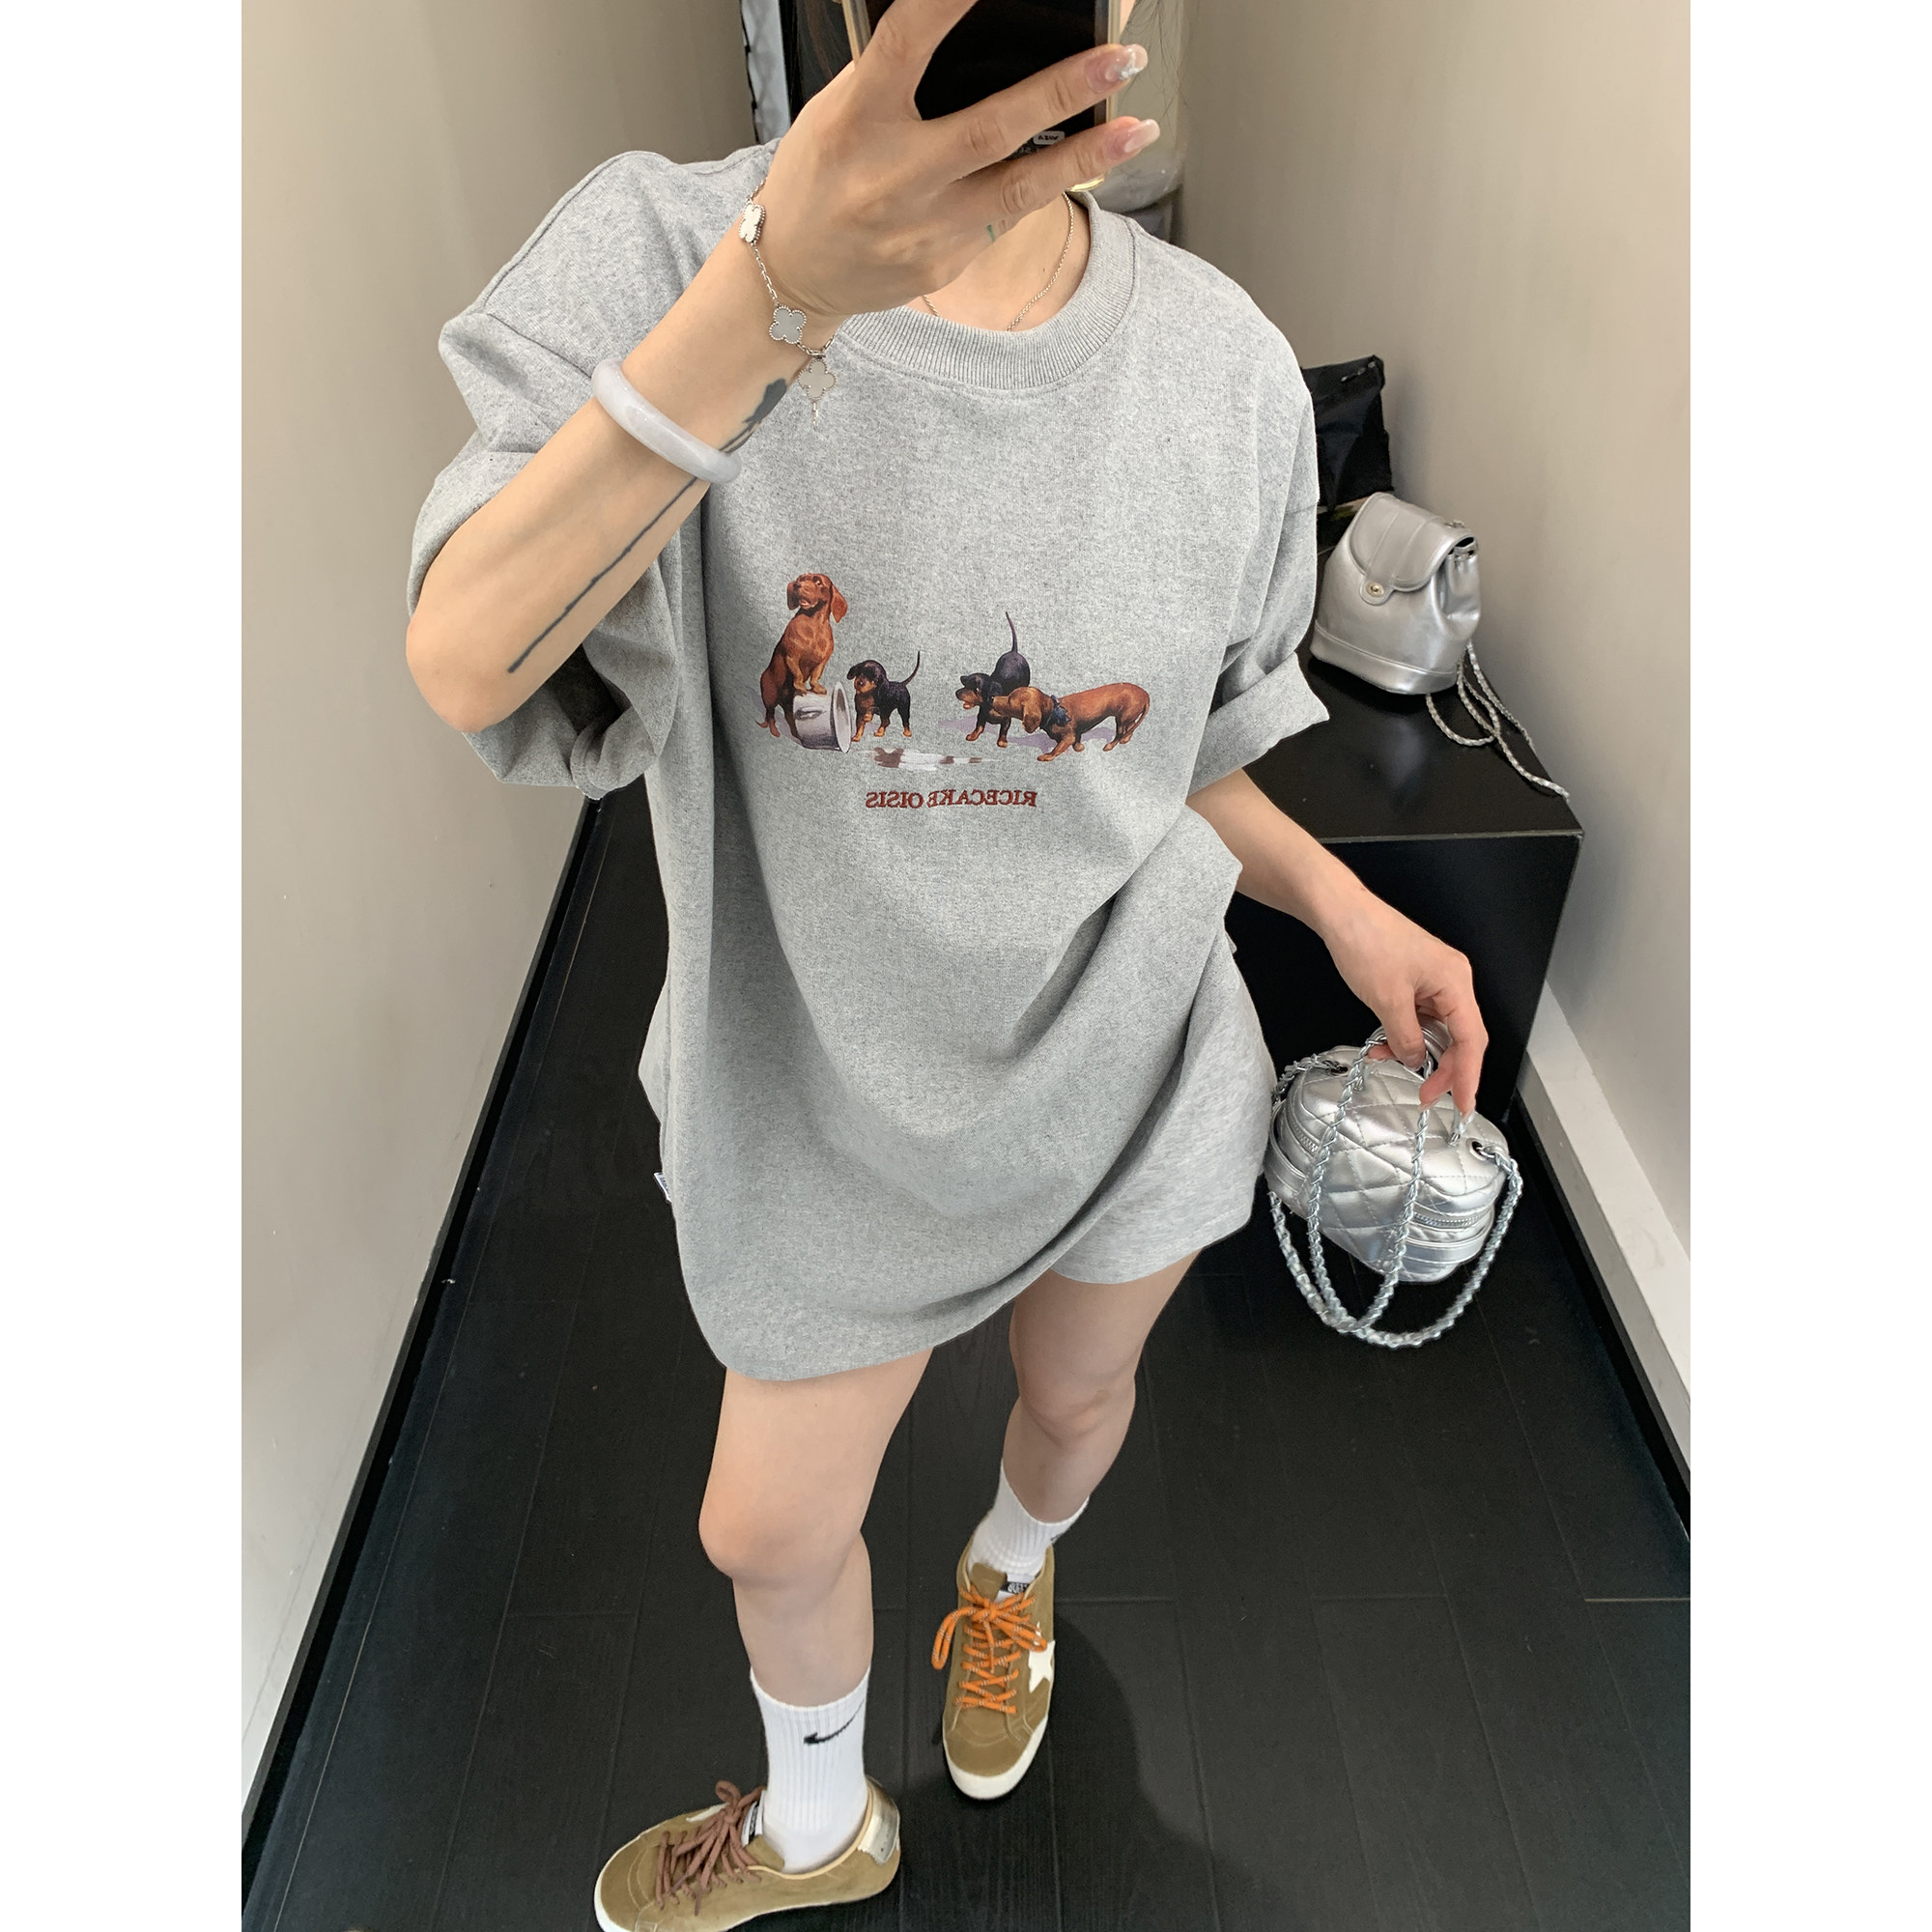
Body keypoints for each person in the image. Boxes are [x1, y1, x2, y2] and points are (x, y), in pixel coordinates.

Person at [405, 4, 1487, 1925]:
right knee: (766, 1526)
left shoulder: (1225, 371)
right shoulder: (660, 254)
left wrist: (1341, 904)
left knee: (1072, 1402)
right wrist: (778, 301)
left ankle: (1008, 1571)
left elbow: (1174, 749)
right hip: (823, 1094)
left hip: (1127, 1054)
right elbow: (469, 656)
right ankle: (823, 1826)